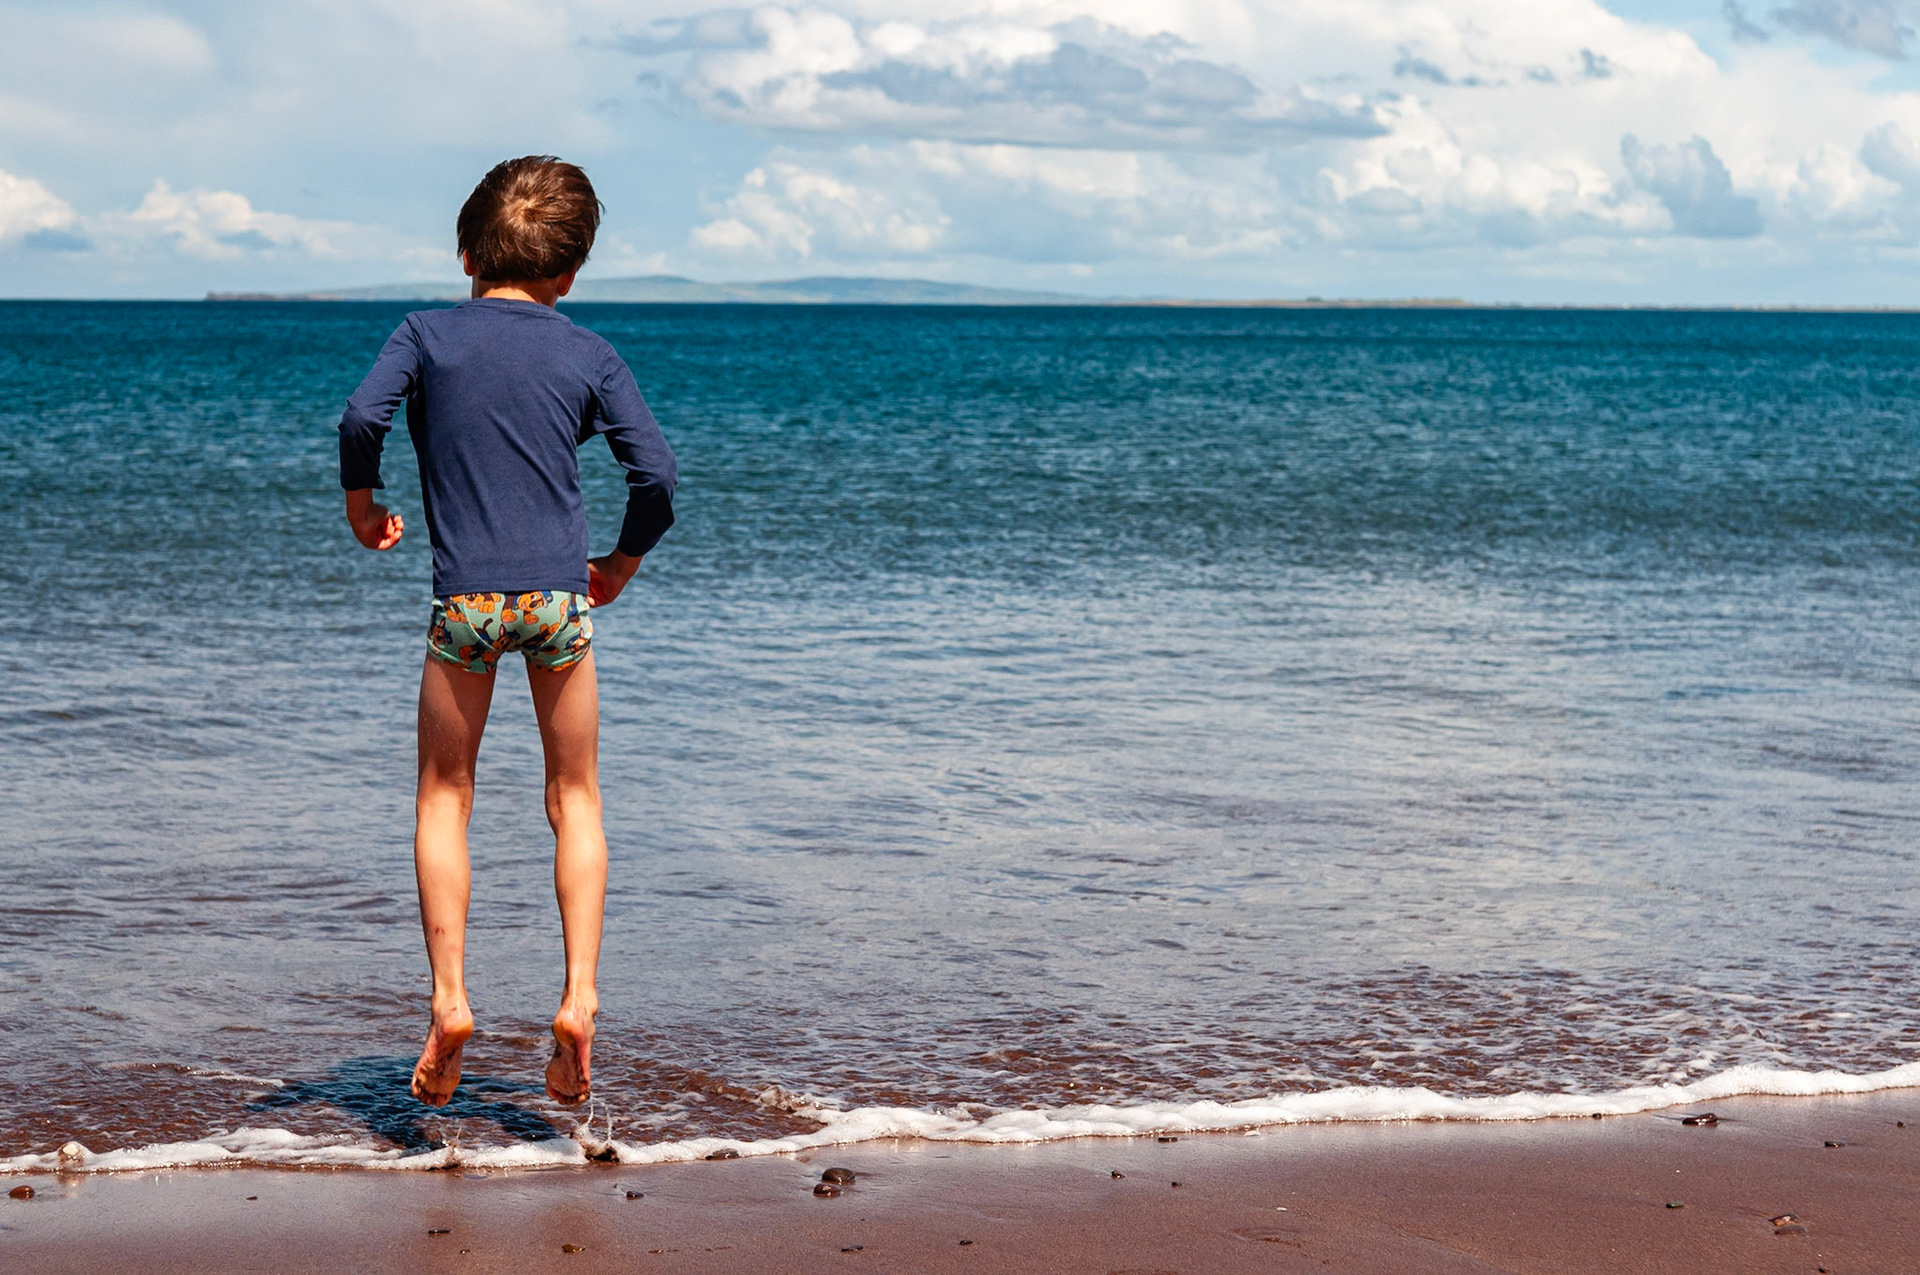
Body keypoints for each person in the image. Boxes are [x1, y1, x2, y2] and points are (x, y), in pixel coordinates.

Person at [336, 155, 677, 1108]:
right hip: (559, 605)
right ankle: (578, 1001)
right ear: (569, 275)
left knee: (445, 796)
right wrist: (621, 562)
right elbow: (656, 476)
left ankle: (450, 1000)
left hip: (466, 607)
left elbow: (361, 415)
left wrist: (364, 509)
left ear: (463, 251)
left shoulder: (424, 334)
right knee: (576, 798)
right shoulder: (588, 352)